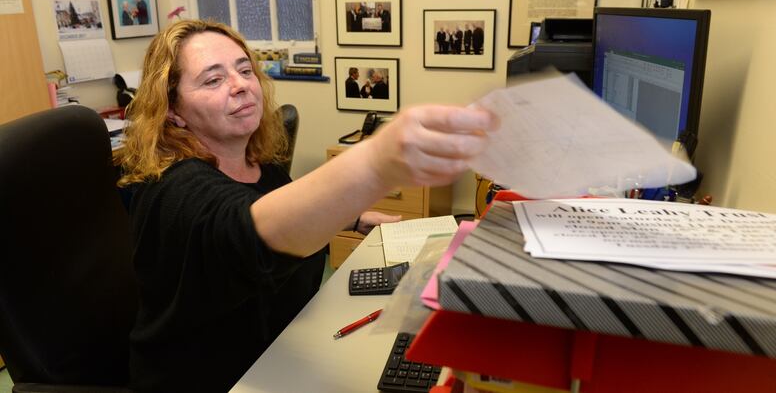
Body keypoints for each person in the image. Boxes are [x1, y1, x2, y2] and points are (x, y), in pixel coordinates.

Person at [116, 19, 497, 392]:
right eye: (213, 80)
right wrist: (376, 161)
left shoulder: (259, 166)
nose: (241, 85)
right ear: (173, 109)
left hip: (278, 353)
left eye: (245, 70)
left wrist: (353, 218)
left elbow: (276, 211)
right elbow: (247, 233)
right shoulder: (173, 187)